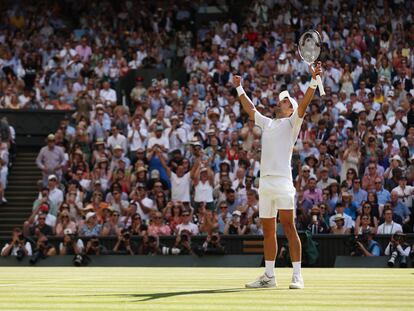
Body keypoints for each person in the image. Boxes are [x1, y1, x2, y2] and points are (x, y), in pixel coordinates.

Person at [235, 62, 322, 289]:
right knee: (268, 230)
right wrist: (239, 88)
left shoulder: (293, 121)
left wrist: (313, 80)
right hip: (265, 184)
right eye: (282, 99)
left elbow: (304, 104)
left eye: (286, 100)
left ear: (291, 109)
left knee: (289, 227)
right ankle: (269, 276)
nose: (282, 101)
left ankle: (297, 275)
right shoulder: (268, 123)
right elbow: (250, 109)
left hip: (283, 183)